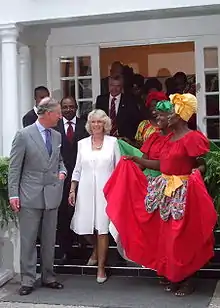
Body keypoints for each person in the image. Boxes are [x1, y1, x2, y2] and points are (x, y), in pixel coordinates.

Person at [105, 93, 217, 296]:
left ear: (181, 115)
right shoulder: (167, 139)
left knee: (182, 237)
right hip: (164, 189)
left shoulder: (192, 138)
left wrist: (196, 173)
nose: (167, 115)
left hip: (183, 191)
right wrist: (137, 161)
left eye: (172, 112)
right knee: (166, 236)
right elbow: (161, 165)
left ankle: (187, 279)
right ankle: (173, 274)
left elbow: (202, 163)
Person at [8, 97, 66, 296]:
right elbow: (14, 167)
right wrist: (13, 194)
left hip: (52, 193)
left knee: (50, 239)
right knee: (29, 239)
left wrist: (62, 173)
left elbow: (60, 161)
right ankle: (27, 280)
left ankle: (48, 276)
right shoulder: (24, 135)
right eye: (58, 112)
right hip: (29, 194)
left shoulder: (57, 136)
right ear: (48, 113)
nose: (60, 116)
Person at [68, 109, 121, 283]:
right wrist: (72, 189)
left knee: (103, 229)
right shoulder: (82, 143)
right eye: (93, 122)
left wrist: (118, 192)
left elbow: (119, 169)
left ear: (105, 124)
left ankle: (101, 269)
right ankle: (97, 250)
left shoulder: (113, 143)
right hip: (85, 190)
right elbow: (77, 168)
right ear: (89, 125)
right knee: (83, 227)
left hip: (106, 192)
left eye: (99, 122)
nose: (96, 125)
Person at [56, 96, 89, 262]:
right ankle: (65, 250)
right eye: (65, 107)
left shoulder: (85, 126)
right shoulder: (55, 126)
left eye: (71, 107)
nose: (68, 110)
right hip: (60, 177)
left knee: (81, 211)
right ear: (60, 109)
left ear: (76, 108)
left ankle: (83, 247)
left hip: (82, 176)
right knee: (63, 213)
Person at [96, 75, 141, 141]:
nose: (114, 88)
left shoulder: (130, 100)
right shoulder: (101, 100)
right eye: (112, 85)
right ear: (108, 86)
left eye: (117, 86)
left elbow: (136, 121)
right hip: (105, 138)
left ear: (122, 87)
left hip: (124, 139)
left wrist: (129, 138)